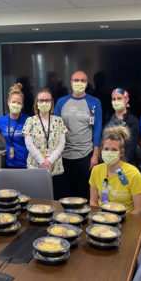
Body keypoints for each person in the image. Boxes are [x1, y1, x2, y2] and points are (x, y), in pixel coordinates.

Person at [54, 70, 102, 198]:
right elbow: (55, 129)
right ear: (71, 83)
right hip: (63, 155)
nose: (79, 83)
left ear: (87, 84)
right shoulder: (61, 102)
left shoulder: (94, 102)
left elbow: (97, 129)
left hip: (84, 155)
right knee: (63, 194)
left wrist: (95, 155)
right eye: (76, 80)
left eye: (82, 80)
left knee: (81, 194)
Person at [89, 126, 141, 214]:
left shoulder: (133, 174)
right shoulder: (96, 171)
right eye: (106, 149)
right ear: (101, 151)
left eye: (114, 150)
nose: (109, 152)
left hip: (125, 221)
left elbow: (139, 210)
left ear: (121, 152)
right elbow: (93, 202)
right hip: (101, 218)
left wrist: (117, 221)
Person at [23, 89, 67, 200]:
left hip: (54, 166)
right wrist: (42, 161)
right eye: (41, 100)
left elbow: (62, 143)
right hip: (35, 166)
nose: (44, 103)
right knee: (36, 198)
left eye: (47, 100)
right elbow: (29, 144)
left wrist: (50, 160)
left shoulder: (59, 121)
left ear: (51, 102)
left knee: (55, 198)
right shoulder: (30, 121)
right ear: (36, 103)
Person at [0, 83, 29, 168]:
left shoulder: (28, 120)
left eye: (19, 103)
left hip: (27, 163)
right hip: (10, 163)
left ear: (22, 105)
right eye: (13, 102)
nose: (16, 104)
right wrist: (8, 143)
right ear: (8, 102)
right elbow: (0, 133)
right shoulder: (0, 121)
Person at [104, 88, 140, 165]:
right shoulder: (108, 117)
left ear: (126, 99)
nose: (116, 101)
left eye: (119, 98)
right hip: (107, 160)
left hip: (125, 163)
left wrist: (121, 163)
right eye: (114, 99)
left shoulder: (133, 121)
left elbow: (132, 147)